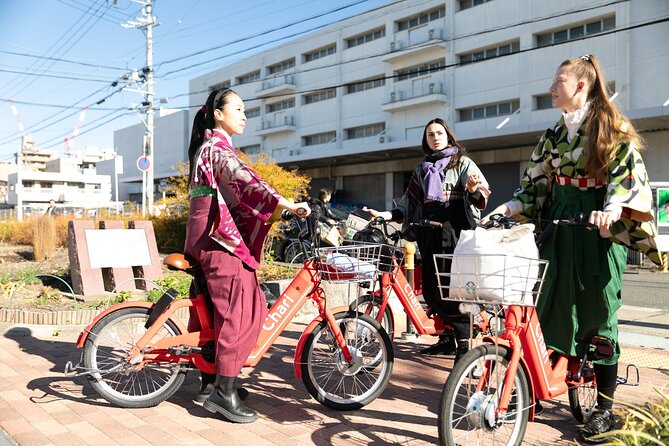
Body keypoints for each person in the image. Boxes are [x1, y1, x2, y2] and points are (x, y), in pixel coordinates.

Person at [483, 55, 661, 443]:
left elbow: (627, 174)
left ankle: (605, 407)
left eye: (558, 80)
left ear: (581, 85)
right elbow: (535, 180)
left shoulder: (610, 127)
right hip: (559, 220)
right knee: (545, 301)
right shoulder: (553, 134)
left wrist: (613, 208)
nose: (551, 87)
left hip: (598, 224)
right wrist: (512, 205)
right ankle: (532, 386)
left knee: (599, 308)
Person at [183, 88, 310, 424]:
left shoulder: (209, 148)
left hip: (206, 235)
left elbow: (237, 194)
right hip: (215, 239)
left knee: (215, 309)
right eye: (238, 109)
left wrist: (277, 212)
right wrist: (287, 204)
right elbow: (245, 181)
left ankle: (210, 381)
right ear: (217, 114)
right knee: (239, 308)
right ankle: (225, 392)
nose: (244, 115)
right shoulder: (217, 148)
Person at [365, 118, 490, 363]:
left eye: (439, 133)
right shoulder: (421, 169)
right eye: (430, 134)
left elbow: (482, 192)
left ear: (448, 136)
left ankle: (464, 345)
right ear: (426, 140)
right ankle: (447, 339)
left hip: (454, 231)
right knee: (433, 292)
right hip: (428, 232)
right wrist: (386, 214)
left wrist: (473, 189)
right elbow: (407, 203)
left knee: (454, 290)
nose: (435, 137)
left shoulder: (461, 162)